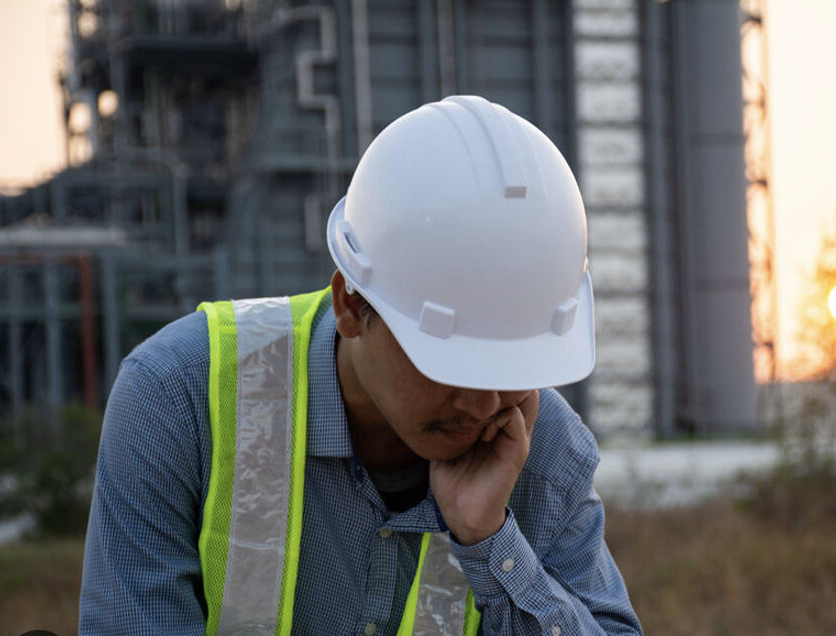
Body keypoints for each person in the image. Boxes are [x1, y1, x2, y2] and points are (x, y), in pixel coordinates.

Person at [79, 95, 643, 636]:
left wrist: (491, 541)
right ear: (351, 305)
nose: (486, 405)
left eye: (511, 367)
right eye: (451, 363)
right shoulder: (181, 400)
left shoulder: (544, 455)